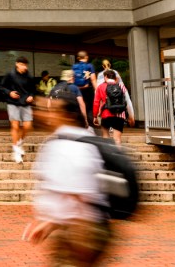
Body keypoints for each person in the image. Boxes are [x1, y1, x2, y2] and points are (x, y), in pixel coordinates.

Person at [26, 94, 111, 266]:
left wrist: (81, 242)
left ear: (68, 115)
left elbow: (81, 196)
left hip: (81, 230)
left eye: (51, 110)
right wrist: (50, 224)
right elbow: (67, 194)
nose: (44, 114)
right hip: (73, 228)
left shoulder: (69, 145)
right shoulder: (63, 140)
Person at [0, 56, 36, 163]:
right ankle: (16, 150)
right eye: (22, 64)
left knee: (28, 126)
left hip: (26, 103)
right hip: (13, 103)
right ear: (17, 64)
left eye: (25, 65)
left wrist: (31, 96)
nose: (24, 67)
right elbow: (1, 87)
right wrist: (9, 92)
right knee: (15, 125)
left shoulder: (29, 76)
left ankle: (19, 143)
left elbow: (33, 90)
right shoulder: (10, 75)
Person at [92, 70, 135, 146]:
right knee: (117, 139)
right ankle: (118, 156)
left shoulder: (100, 87)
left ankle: (108, 156)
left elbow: (96, 103)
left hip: (106, 114)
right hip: (120, 115)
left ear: (105, 77)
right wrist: (131, 117)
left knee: (105, 137)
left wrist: (95, 116)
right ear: (115, 77)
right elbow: (128, 102)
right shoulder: (121, 86)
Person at [73, 51, 98, 128]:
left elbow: (72, 78)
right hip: (87, 89)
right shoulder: (89, 66)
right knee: (89, 107)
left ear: (78, 58)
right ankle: (90, 125)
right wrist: (96, 90)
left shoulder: (74, 66)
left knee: (78, 106)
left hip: (77, 89)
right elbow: (93, 79)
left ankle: (79, 125)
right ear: (86, 57)